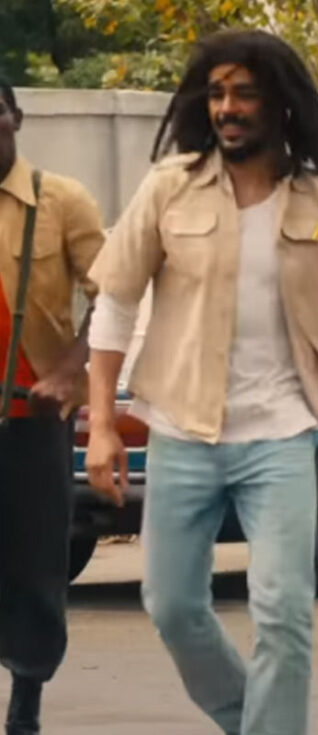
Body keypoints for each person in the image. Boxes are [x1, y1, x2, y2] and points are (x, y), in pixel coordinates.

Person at [86, 30, 318, 735]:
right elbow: (115, 307)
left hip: (279, 435)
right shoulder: (168, 189)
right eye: (217, 93)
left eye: (244, 93)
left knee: (283, 612)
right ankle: (253, 721)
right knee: (171, 606)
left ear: (280, 103)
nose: (228, 107)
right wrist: (99, 425)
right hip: (181, 431)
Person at [0, 80, 104, 734]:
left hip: (31, 419)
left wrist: (69, 371)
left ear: (14, 116)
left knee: (36, 564)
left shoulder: (60, 200)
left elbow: (115, 296)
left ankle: (26, 696)